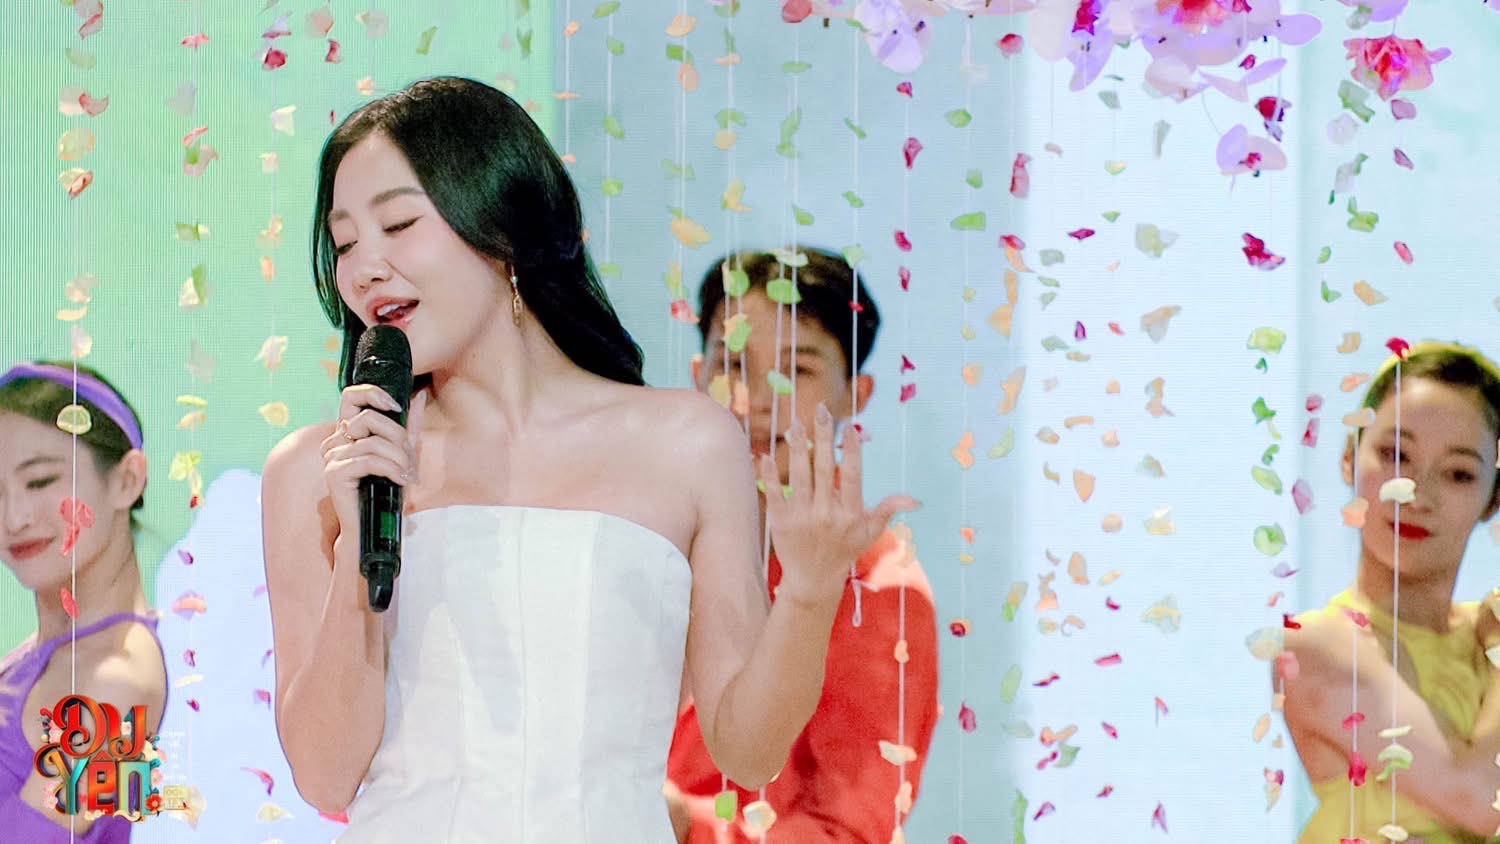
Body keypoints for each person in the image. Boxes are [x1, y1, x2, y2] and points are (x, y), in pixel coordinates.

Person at [261, 77, 916, 843]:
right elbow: (325, 776)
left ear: (503, 228)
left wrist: (807, 592)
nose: (365, 268)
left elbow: (748, 750)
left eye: (399, 224)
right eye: (345, 243)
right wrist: (359, 549)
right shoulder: (316, 470)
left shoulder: (689, 444)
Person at [665, 248, 940, 843]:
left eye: (798, 370)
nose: (759, 398)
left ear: (855, 395)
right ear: (697, 376)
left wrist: (687, 826)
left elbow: (849, 831)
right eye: (733, 364)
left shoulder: (880, 587)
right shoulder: (653, 538)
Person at [1283, 342, 1500, 843]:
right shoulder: (1316, 645)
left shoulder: (1485, 637)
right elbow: (1478, 801)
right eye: (1395, 455)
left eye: (1458, 473)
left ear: (1494, 497)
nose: (1416, 493)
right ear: (1348, 459)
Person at [0, 362, 168, 842]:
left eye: (40, 482)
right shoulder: (51, 655)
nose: (14, 518)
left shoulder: (115, 686)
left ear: (127, 480)